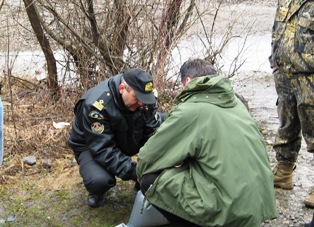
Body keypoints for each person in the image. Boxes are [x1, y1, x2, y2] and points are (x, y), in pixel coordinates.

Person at [136, 59, 277, 226]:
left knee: (149, 179)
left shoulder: (192, 110)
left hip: (230, 211)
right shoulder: (236, 103)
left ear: (187, 81)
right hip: (258, 204)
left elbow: (147, 158)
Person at [67, 68, 161, 208]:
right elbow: (103, 149)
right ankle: (96, 192)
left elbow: (153, 133)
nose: (142, 103)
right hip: (91, 144)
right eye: (138, 98)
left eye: (145, 99)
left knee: (165, 132)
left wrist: (154, 164)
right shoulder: (96, 106)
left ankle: (144, 181)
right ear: (122, 88)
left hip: (127, 134)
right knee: (99, 181)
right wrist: (134, 172)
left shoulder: (146, 97)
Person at [269, 0, 314, 207]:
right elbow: (277, 30)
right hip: (285, 72)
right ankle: (284, 171)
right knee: (287, 122)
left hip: (310, 76)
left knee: (313, 126)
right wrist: (274, 60)